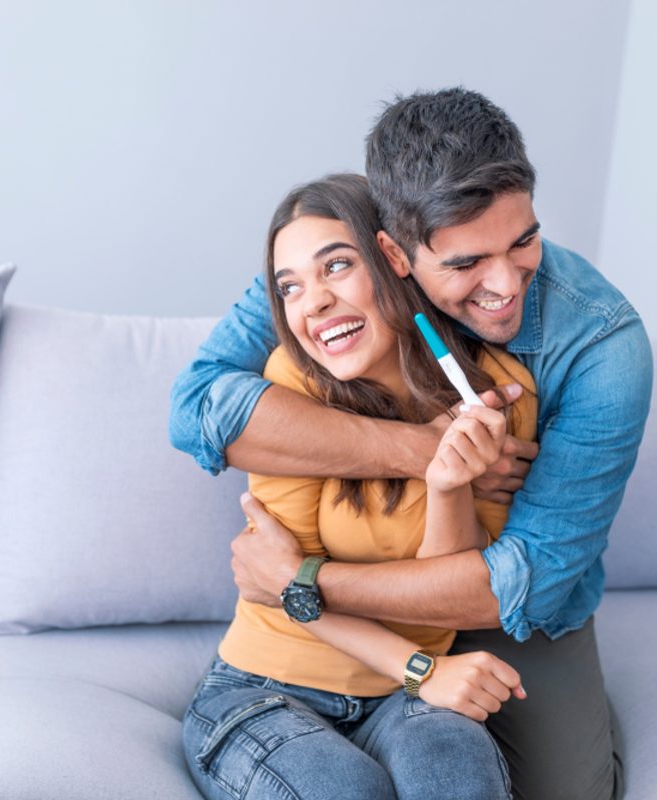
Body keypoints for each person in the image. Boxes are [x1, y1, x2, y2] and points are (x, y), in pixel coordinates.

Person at [170, 88, 653, 800]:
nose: (504, 283)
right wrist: (420, 453)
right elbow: (198, 407)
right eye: (462, 264)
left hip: (515, 601)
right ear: (394, 252)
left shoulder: (592, 350)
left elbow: (517, 580)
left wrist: (302, 582)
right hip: (299, 669)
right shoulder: (338, 267)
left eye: (522, 240)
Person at [183, 172, 535, 800]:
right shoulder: (292, 388)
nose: (311, 303)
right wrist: (422, 671)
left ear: (395, 257)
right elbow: (274, 586)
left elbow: (443, 600)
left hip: (403, 696)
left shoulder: (498, 394)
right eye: (289, 287)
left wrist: (449, 485)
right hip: (266, 688)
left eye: (336, 266)